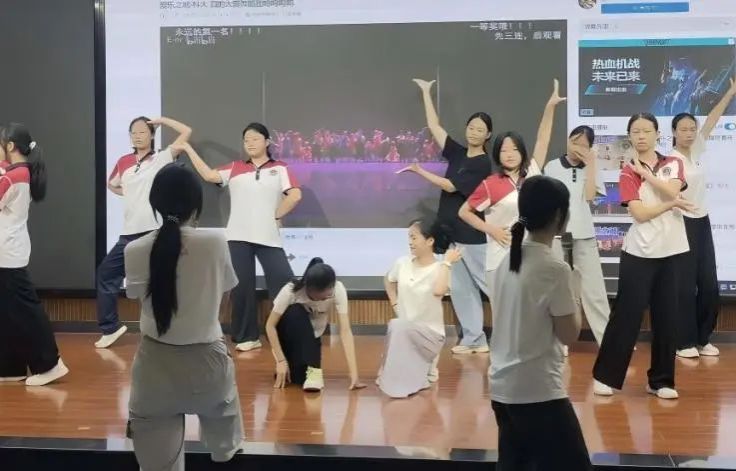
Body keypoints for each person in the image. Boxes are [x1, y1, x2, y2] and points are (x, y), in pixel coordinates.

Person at [124, 163, 244, 470]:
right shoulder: (215, 243)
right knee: (226, 454)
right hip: (208, 363)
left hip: (153, 367)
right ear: (196, 204)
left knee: (157, 466)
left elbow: (139, 299)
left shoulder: (135, 249)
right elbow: (224, 299)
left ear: (155, 202)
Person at [489, 174, 591, 470]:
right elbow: (569, 334)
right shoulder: (554, 269)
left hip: (503, 388)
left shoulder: (507, 261)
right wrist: (576, 291)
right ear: (560, 216)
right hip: (538, 392)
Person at [593, 113, 694, 400]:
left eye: (646, 131)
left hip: (672, 250)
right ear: (630, 136)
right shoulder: (627, 171)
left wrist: (648, 176)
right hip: (639, 252)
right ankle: (605, 377)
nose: (641, 136)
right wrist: (670, 204)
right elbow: (639, 213)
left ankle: (661, 381)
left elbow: (672, 189)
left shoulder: (673, 162)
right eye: (635, 131)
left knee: (668, 316)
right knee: (626, 316)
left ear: (657, 134)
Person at [181, 123, 301, 352]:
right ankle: (247, 337)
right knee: (241, 287)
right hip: (237, 236)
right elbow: (208, 175)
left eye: (255, 138)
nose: (250, 143)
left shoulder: (280, 168)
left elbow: (295, 195)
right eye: (246, 140)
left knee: (284, 284)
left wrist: (276, 215)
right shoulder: (235, 167)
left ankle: (289, 334)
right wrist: (188, 148)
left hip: (268, 236)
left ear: (267, 142)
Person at [398, 78, 493, 355]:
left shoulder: (483, 163)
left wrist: (420, 171)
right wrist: (426, 92)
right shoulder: (459, 153)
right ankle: (475, 340)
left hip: (471, 233)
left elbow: (451, 186)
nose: (474, 132)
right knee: (462, 289)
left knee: (490, 287)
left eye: (480, 129)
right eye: (471, 127)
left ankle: (520, 333)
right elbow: (435, 127)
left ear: (488, 135)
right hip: (451, 231)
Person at [459, 79, 565, 306]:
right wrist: (492, 230)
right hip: (499, 260)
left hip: (531, 259)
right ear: (497, 154)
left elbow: (543, 138)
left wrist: (550, 107)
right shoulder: (490, 184)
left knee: (531, 312)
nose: (509, 154)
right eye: (504, 150)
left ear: (522, 152)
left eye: (515, 149)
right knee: (503, 315)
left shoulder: (533, 173)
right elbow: (464, 212)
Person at [96, 116, 192, 348]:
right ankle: (110, 328)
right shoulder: (124, 161)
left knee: (161, 280)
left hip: (154, 231)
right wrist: (129, 193)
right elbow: (112, 184)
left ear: (151, 135)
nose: (137, 136)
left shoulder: (161, 157)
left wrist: (162, 120)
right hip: (129, 233)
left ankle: (170, 329)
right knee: (106, 274)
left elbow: (187, 132)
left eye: (142, 131)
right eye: (134, 132)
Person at [0, 123, 69, 386]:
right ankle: (10, 367)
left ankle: (50, 364)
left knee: (26, 311)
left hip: (8, 252)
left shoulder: (15, 176)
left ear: (9, 146)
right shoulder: (19, 172)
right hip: (8, 250)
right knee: (8, 312)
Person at [671, 77, 736, 358]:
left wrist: (730, 93)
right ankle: (683, 342)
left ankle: (702, 337)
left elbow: (712, 119)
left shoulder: (696, 150)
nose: (689, 133)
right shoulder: (670, 160)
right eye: (683, 129)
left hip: (702, 221)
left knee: (709, 283)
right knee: (685, 287)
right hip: (681, 223)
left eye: (691, 129)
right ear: (673, 132)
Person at [378, 219, 461, 398]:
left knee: (398, 326)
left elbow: (439, 291)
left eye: (414, 238)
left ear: (430, 241)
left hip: (430, 335)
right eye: (409, 237)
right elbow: (389, 280)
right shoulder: (402, 263)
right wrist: (395, 303)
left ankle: (419, 373)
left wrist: (447, 263)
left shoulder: (440, 268)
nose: (410, 242)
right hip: (404, 332)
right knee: (397, 326)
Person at [544, 125, 610, 346]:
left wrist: (591, 164)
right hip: (556, 236)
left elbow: (589, 197)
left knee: (594, 292)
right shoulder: (552, 166)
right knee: (555, 291)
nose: (577, 148)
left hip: (585, 236)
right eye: (574, 142)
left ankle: (608, 344)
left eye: (583, 145)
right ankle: (557, 343)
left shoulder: (591, 167)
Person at [265, 257, 364, 392]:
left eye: (329, 293)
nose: (326, 298)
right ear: (308, 288)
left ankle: (305, 368)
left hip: (312, 339)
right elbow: (270, 326)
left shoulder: (338, 289)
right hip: (287, 335)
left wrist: (354, 374)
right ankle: (291, 361)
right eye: (321, 296)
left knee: (299, 379)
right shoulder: (291, 291)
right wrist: (281, 361)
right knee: (296, 311)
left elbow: (345, 331)